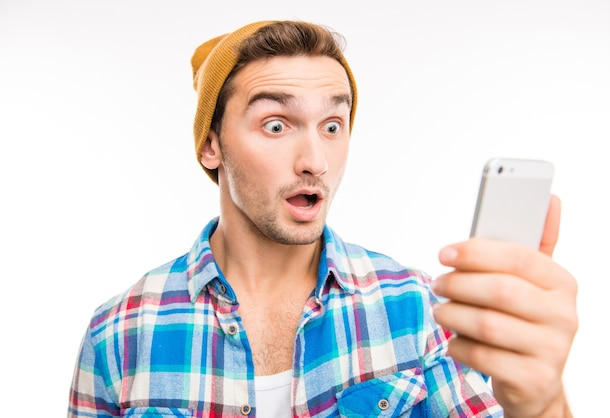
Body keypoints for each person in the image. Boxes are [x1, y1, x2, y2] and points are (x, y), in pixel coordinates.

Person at [67, 20, 578, 417]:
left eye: (333, 124)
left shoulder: (420, 312)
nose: (316, 159)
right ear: (211, 145)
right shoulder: (118, 333)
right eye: (276, 124)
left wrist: (541, 404)